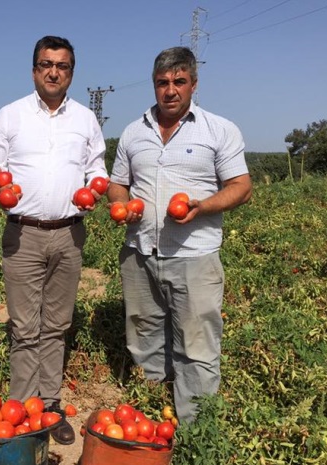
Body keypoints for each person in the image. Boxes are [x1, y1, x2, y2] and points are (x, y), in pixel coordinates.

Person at [107, 46, 252, 424]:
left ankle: (194, 429)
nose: (170, 90)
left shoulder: (218, 129)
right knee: (143, 333)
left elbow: (241, 186)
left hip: (195, 256)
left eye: (179, 82)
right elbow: (118, 183)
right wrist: (122, 205)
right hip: (139, 252)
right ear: (153, 85)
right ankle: (153, 412)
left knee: (197, 342)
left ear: (193, 84)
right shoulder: (133, 131)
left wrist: (201, 207)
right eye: (162, 83)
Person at [0, 36, 107, 445]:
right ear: (34, 69)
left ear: (72, 72)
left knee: (56, 324)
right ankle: (21, 407)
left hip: (69, 233)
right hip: (24, 232)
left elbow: (96, 167)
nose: (54, 72)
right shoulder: (11, 115)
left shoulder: (85, 119)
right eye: (46, 64)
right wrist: (0, 188)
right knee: (24, 326)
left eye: (63, 66)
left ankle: (50, 405)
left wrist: (97, 186)